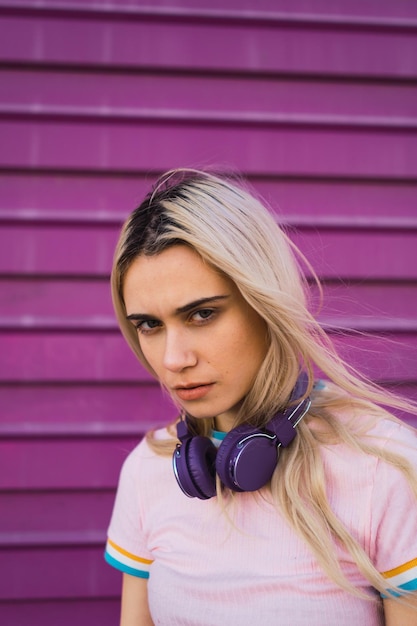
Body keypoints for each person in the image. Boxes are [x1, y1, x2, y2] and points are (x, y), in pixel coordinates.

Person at [104, 168, 417, 626]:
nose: (173, 359)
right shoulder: (148, 470)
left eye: (202, 314)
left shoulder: (383, 467)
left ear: (265, 303)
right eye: (149, 324)